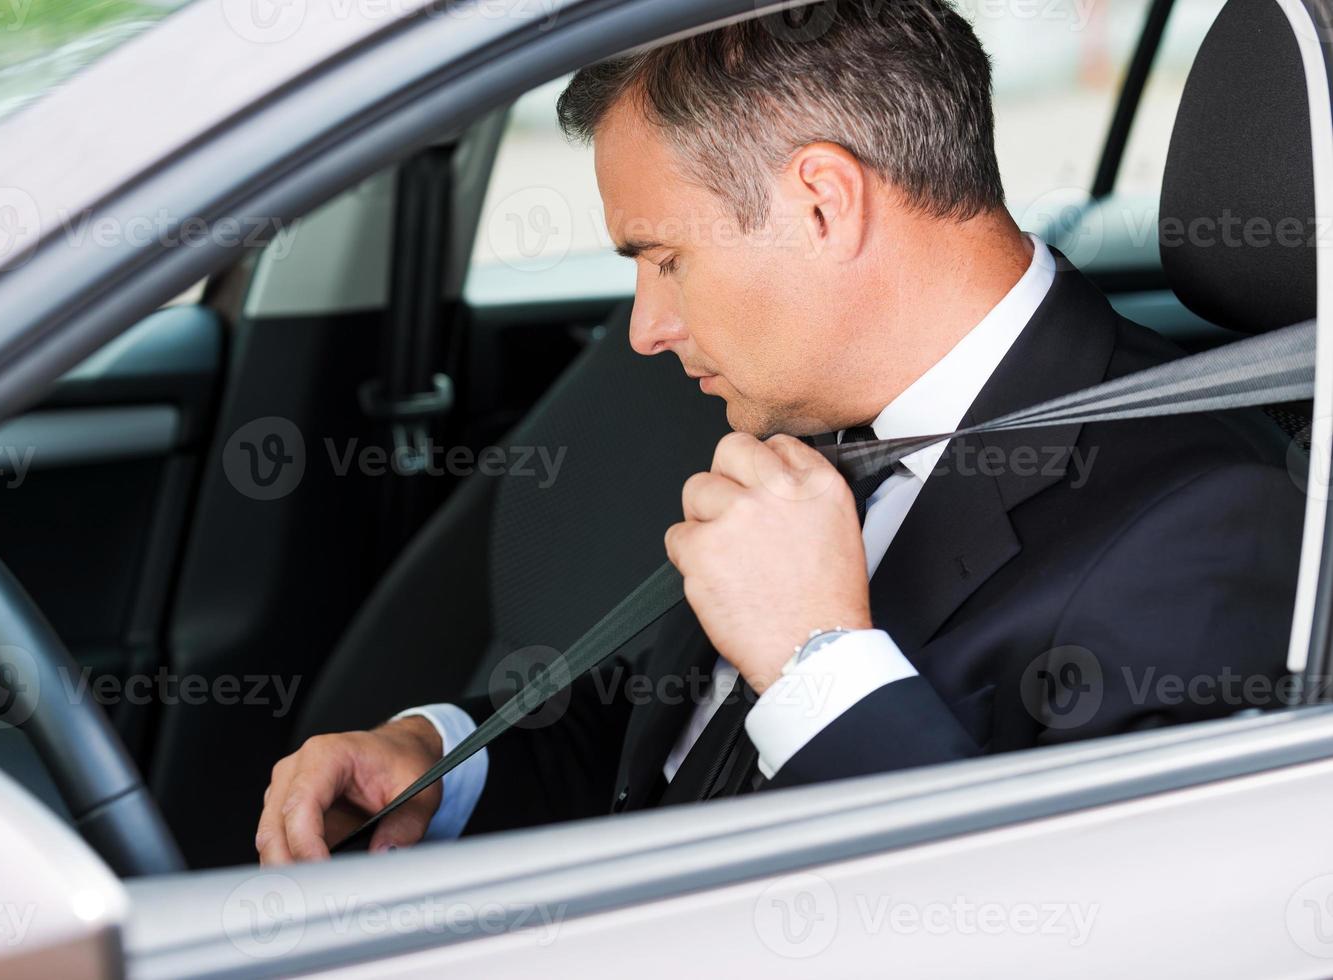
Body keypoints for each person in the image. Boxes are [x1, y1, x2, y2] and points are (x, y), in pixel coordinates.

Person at [255, 0, 1303, 865]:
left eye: (662, 257)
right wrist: (436, 760)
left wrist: (817, 660)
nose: (644, 328)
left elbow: (1093, 927)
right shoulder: (821, 417)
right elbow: (665, 753)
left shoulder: (1208, 522)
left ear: (819, 202)